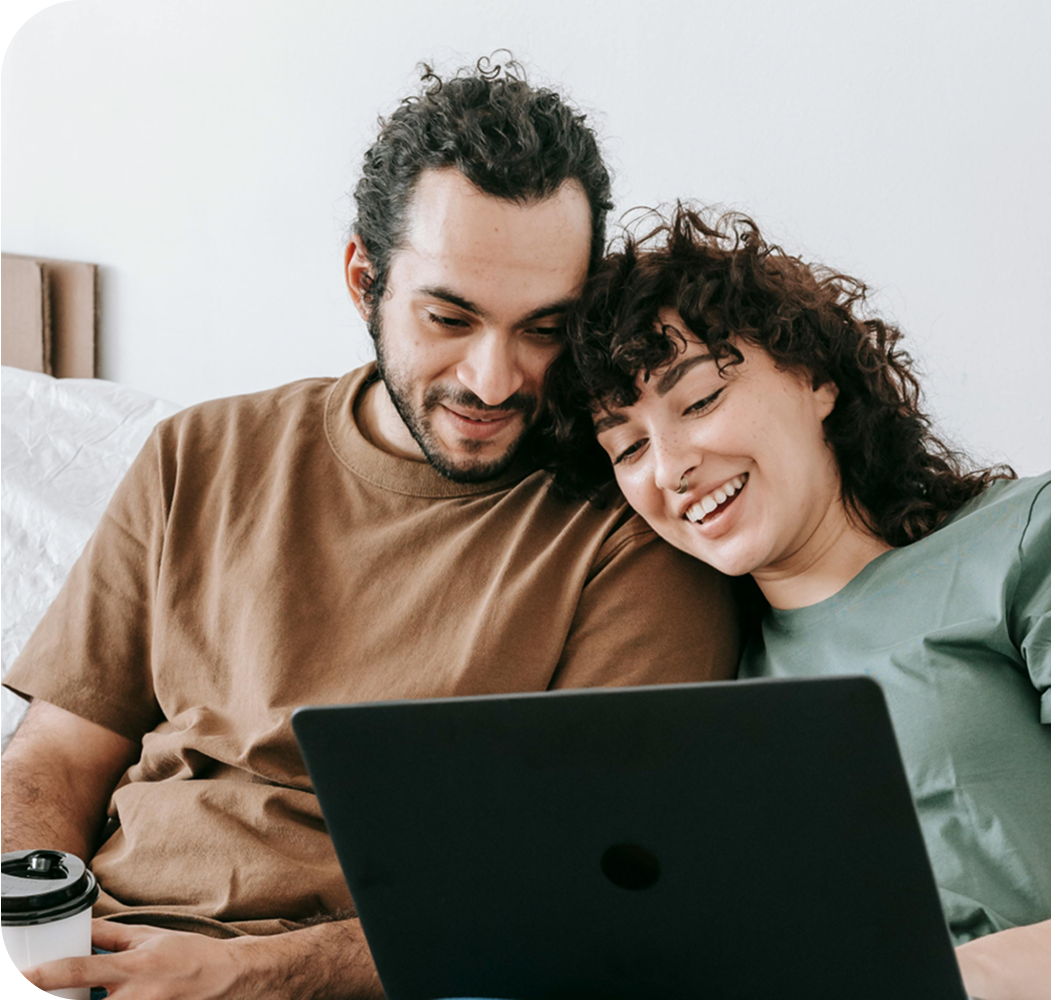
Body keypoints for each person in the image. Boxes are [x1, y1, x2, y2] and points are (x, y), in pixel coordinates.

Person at [1, 66, 738, 998]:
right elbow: (54, 756)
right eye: (449, 317)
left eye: (543, 328)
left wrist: (251, 975)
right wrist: (33, 931)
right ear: (364, 280)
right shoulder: (201, 451)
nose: (494, 378)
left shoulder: (625, 534)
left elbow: (579, 892)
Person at [551, 205, 1051, 1000]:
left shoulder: (1041, 535)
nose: (672, 466)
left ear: (815, 377)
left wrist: (932, 982)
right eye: (627, 446)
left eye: (697, 402)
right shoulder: (717, 686)